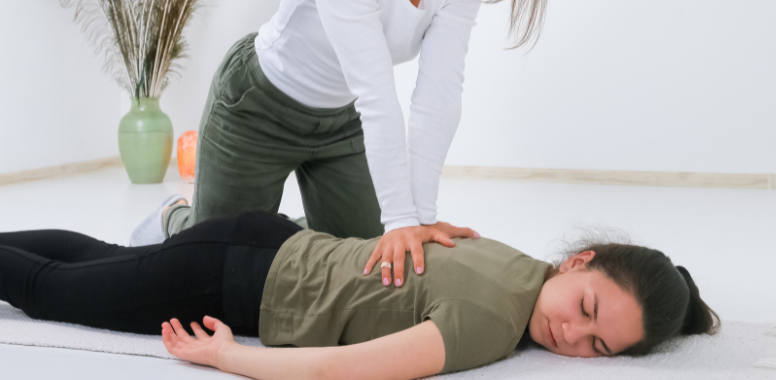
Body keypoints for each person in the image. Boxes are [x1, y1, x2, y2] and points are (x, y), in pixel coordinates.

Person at [130, 0, 557, 288]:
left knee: (374, 261)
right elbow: (377, 94)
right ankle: (175, 217)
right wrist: (401, 217)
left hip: (339, 122)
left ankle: (292, 232)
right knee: (215, 266)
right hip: (257, 108)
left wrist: (419, 219)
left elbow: (438, 98)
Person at [0, 212, 719, 379]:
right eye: (587, 310)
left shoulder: (519, 263)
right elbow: (342, 370)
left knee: (101, 263)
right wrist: (229, 358)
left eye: (597, 346)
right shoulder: (490, 325)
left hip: (259, 238)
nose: (571, 336)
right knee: (48, 292)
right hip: (230, 281)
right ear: (579, 262)